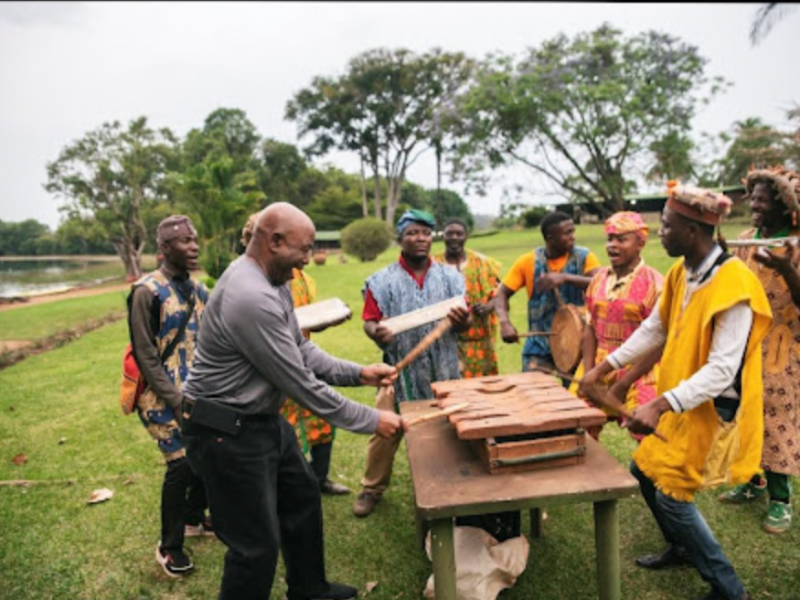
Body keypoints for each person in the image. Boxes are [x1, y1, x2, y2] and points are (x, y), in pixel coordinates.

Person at [181, 202, 403, 600]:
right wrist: (373, 420)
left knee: (301, 497)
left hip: (260, 421)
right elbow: (300, 383)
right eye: (304, 249)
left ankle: (309, 590)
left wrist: (358, 373)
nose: (307, 261)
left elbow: (299, 348)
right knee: (255, 547)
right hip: (223, 433)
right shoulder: (249, 296)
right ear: (274, 241)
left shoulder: (273, 282)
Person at [582, 181, 772, 600]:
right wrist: (603, 367)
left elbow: (723, 369)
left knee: (673, 496)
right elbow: (656, 328)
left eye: (666, 226)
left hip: (715, 409)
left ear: (692, 231)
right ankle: (683, 548)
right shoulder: (679, 272)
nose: (660, 233)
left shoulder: (734, 283)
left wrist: (659, 404)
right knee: (643, 471)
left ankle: (728, 589)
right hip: (683, 401)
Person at [352, 208, 471, 518]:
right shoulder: (380, 281)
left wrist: (463, 321)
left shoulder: (451, 277)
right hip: (398, 372)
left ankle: (451, 482)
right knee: (384, 430)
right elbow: (369, 321)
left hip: (444, 371)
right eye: (412, 233)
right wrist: (376, 333)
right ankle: (371, 488)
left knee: (451, 429)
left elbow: (465, 324)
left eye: (425, 233)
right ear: (400, 238)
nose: (420, 239)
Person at [127, 214, 213, 578]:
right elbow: (145, 355)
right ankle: (170, 546)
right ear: (164, 249)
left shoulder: (199, 290)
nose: (194, 247)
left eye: (195, 240)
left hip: (197, 391)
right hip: (159, 396)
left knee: (208, 453)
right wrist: (174, 399)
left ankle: (194, 518)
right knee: (180, 464)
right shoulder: (146, 292)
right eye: (185, 242)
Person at [241, 214, 351, 496]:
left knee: (322, 419)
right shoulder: (248, 283)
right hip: (273, 369)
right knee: (283, 432)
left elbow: (305, 320)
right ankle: (288, 487)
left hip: (304, 360)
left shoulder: (304, 281)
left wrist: (325, 320)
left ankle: (320, 478)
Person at [717, 166, 800, 534]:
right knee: (746, 413)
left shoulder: (796, 245)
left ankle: (781, 500)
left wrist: (787, 270)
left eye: (762, 200)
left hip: (784, 348)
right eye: (752, 197)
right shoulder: (746, 239)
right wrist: (719, 257)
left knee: (777, 419)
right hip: (746, 344)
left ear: (784, 206)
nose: (753, 204)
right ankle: (754, 481)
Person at [572, 211, 664, 441]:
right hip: (597, 366)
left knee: (648, 431)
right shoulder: (597, 280)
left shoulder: (656, 284)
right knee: (572, 425)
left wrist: (623, 384)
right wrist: (589, 370)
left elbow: (658, 342)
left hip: (641, 369)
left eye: (621, 239)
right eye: (610, 239)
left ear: (640, 243)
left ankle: (644, 476)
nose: (612, 245)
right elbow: (590, 329)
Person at [494, 210, 601, 373]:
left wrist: (566, 277)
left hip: (577, 340)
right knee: (532, 391)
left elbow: (602, 284)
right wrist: (504, 322)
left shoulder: (584, 257)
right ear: (550, 238)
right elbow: (502, 293)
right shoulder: (528, 261)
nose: (573, 236)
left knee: (576, 395)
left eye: (573, 231)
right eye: (567, 233)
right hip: (539, 341)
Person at [433, 217, 502, 378]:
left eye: (459, 233)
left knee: (483, 387)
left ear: (466, 236)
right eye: (450, 233)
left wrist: (486, 307)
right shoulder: (433, 264)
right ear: (443, 236)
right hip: (445, 339)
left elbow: (499, 294)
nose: (454, 237)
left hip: (479, 340)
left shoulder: (482, 263)